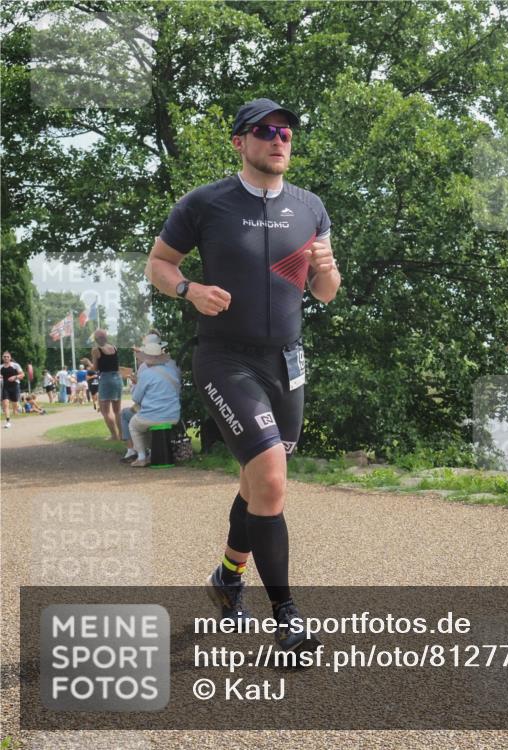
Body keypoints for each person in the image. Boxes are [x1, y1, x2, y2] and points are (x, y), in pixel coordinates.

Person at [145, 98, 340, 651]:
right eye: (265, 130)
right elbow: (159, 263)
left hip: (286, 361)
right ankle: (288, 617)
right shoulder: (205, 203)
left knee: (259, 482)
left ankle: (227, 578)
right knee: (273, 479)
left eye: (286, 132)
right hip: (225, 359)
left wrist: (328, 273)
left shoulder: (310, 208)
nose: (279, 139)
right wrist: (189, 289)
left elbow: (324, 292)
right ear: (240, 141)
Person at [122, 338, 181, 468]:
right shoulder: (171, 371)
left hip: (153, 415)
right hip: (173, 415)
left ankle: (142, 457)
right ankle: (152, 454)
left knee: (134, 425)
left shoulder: (146, 374)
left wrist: (136, 384)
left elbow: (136, 398)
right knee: (147, 425)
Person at [91, 329, 123, 440]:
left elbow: (95, 368)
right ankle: (122, 435)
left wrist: (88, 363)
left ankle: (114, 435)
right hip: (117, 379)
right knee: (117, 410)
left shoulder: (96, 350)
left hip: (106, 379)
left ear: (97, 339)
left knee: (105, 411)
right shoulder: (114, 347)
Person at [2, 351, 25, 428]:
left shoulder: (15, 365)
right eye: (4, 356)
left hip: (14, 386)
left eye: (7, 357)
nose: (6, 358)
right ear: (2, 358)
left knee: (14, 404)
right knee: (5, 404)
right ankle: (8, 421)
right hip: (5, 387)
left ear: (10, 358)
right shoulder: (1, 367)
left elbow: (22, 374)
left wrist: (15, 377)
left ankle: (17, 408)